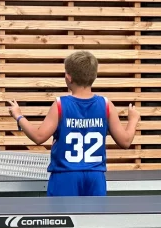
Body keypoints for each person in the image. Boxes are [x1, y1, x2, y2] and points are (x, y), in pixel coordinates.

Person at [7, 50, 139, 196]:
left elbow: (38, 137)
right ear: (94, 76)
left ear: (68, 77)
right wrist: (132, 120)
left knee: (62, 218)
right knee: (95, 218)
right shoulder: (106, 105)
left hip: (65, 176)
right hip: (95, 177)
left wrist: (19, 116)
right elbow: (125, 141)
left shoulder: (60, 105)